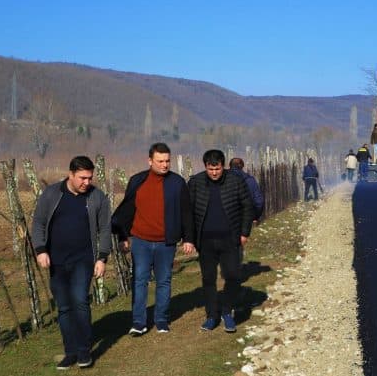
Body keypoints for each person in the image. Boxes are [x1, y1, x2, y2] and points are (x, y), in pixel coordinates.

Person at [31, 155, 112, 369]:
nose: (87, 182)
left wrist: (102, 257)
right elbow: (38, 222)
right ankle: (70, 352)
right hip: (56, 261)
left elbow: (105, 229)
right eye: (82, 178)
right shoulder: (52, 194)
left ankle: (85, 351)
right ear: (71, 175)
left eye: (90, 178)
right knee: (64, 307)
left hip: (83, 260)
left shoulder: (98, 198)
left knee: (80, 301)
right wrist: (40, 250)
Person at [111, 142, 191, 336]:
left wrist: (188, 238)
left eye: (167, 161)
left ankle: (161, 320)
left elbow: (186, 212)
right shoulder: (137, 181)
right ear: (150, 161)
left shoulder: (177, 183)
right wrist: (123, 236)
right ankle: (139, 323)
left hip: (167, 242)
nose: (164, 165)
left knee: (164, 281)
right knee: (140, 281)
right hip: (140, 241)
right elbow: (127, 211)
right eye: (160, 161)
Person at [183, 149, 255, 333]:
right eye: (210, 168)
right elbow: (188, 213)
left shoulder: (235, 181)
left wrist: (244, 232)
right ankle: (212, 315)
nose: (214, 172)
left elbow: (247, 206)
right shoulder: (196, 183)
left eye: (217, 168)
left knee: (232, 275)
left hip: (230, 239)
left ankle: (227, 311)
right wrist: (189, 239)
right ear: (205, 166)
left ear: (223, 166)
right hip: (205, 240)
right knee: (208, 279)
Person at [229, 157, 264, 223]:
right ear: (242, 166)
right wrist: (255, 216)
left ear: (230, 166)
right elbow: (259, 202)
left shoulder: (222, 179)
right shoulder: (250, 180)